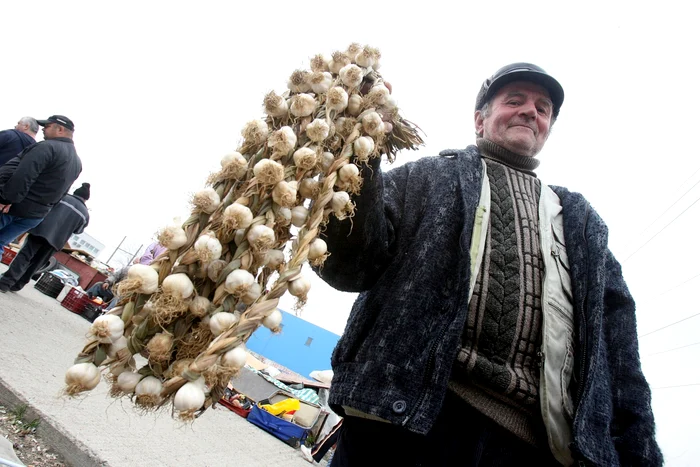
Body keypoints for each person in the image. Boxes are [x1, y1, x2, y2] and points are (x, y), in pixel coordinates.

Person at [314, 64, 662, 466]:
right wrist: (362, 149)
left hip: (530, 448)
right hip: (403, 421)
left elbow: (621, 355)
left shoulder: (581, 225)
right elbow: (348, 266)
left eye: (543, 108)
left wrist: (638, 454)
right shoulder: (427, 178)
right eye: (515, 100)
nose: (531, 111)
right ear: (480, 120)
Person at [0, 115, 82, 247]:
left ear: (60, 129)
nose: (43, 130)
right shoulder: (77, 163)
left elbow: (23, 176)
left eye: (47, 126)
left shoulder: (47, 147)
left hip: (13, 207)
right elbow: (62, 193)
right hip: (35, 216)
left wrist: (5, 199)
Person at [0, 183, 90, 293]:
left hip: (40, 231)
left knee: (24, 256)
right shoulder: (85, 214)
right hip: (56, 242)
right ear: (85, 199)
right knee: (37, 263)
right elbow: (78, 231)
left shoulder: (62, 197)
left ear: (75, 193)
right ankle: (17, 285)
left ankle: (5, 283)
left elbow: (47, 207)